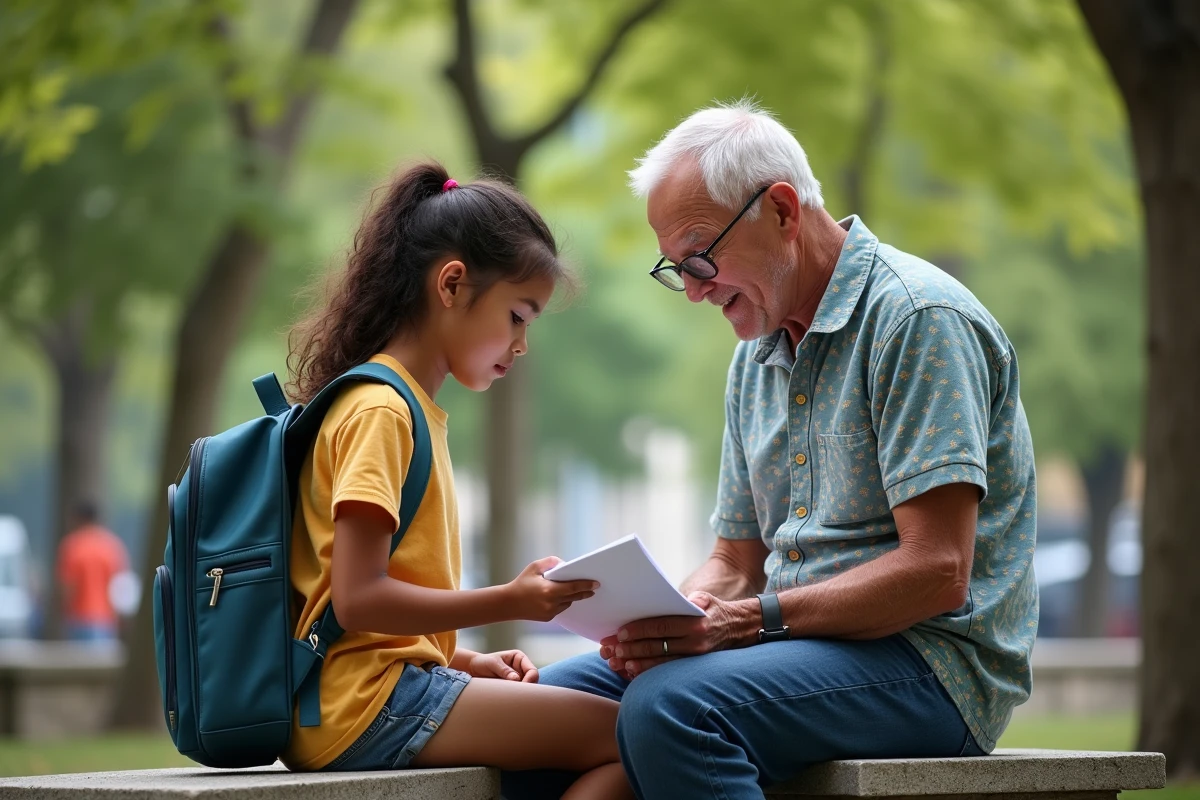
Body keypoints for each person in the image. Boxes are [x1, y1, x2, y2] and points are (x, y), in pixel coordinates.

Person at [504, 100, 1038, 800]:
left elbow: (938, 570)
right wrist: (677, 618)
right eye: (675, 270)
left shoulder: (917, 319)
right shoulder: (755, 357)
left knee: (671, 708)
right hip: (793, 648)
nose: (694, 292)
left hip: (933, 664)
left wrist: (747, 622)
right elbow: (735, 560)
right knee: (529, 717)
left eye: (699, 257)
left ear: (782, 211)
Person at [280, 161, 633, 799]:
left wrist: (466, 661)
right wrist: (511, 601)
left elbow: (370, 619)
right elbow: (357, 599)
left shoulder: (408, 407)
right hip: (361, 706)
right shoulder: (383, 411)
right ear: (451, 284)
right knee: (643, 737)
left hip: (374, 692)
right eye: (518, 315)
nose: (522, 344)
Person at [55, 501, 129, 642]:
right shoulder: (112, 546)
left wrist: (61, 613)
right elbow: (121, 588)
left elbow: (68, 588)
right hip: (107, 620)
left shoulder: (72, 546)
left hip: (78, 619)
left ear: (78, 518)